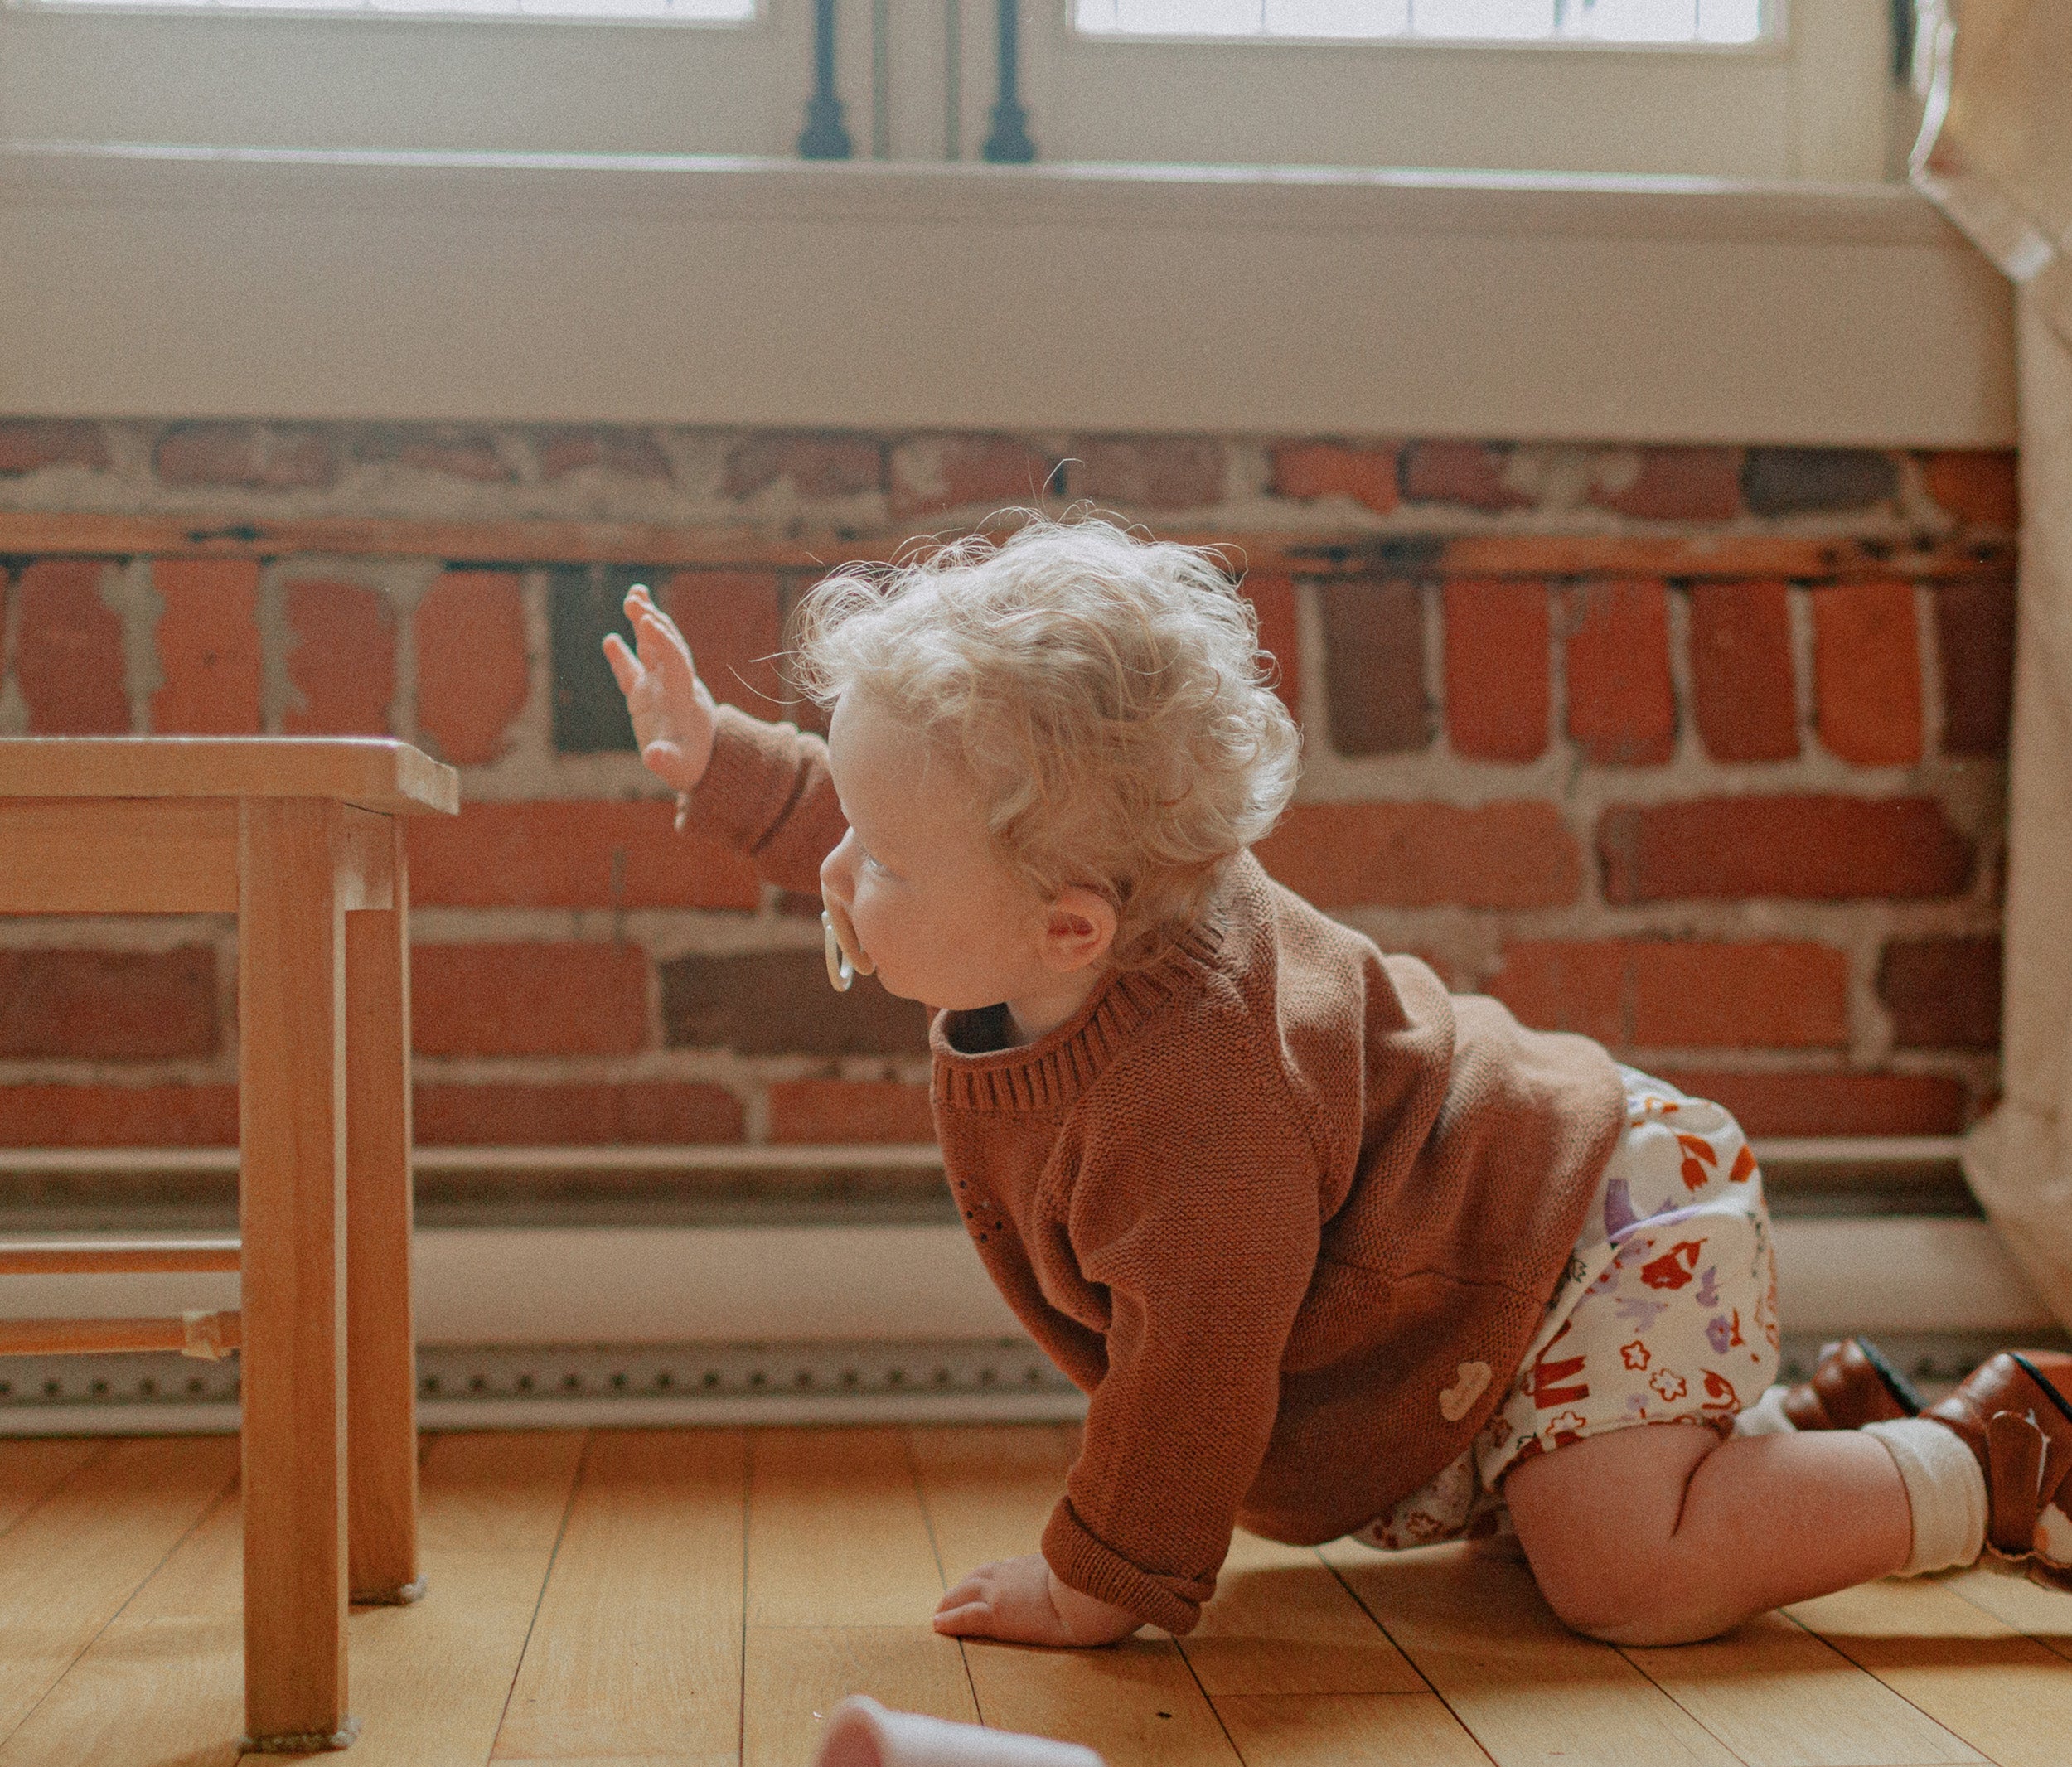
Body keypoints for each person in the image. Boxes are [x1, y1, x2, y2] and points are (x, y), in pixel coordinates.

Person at [603, 515, 2072, 1649]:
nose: (843, 873)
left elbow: (1194, 1365)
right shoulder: (1090, 909)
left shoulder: (1199, 1101)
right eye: (853, 829)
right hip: (1491, 1275)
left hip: (1588, 1230)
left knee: (1622, 1579)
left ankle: (1985, 1461)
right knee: (1571, 1532)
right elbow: (869, 811)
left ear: (1068, 929)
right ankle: (1799, 1443)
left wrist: (1096, 1585)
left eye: (885, 860)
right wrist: (719, 760)